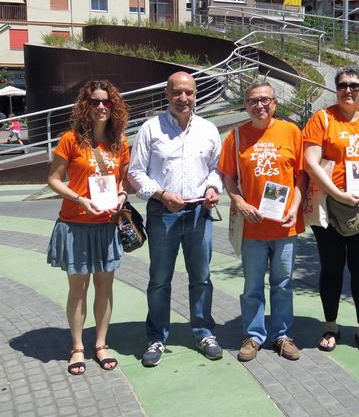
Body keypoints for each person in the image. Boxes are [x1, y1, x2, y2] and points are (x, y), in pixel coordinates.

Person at [128, 71, 223, 367]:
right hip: (162, 213)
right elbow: (135, 172)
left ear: (195, 95)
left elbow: (216, 169)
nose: (183, 98)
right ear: (167, 95)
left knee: (201, 277)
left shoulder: (208, 129)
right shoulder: (150, 128)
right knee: (159, 279)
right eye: (177, 92)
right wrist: (160, 194)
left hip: (198, 213)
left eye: (189, 92)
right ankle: (156, 337)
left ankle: (204, 331)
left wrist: (212, 188)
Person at [302, 65, 359, 355]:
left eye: (354, 86)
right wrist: (338, 193)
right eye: (343, 85)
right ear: (336, 89)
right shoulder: (322, 119)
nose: (348, 90)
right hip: (329, 206)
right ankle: (330, 326)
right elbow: (310, 162)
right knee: (331, 269)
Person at [46, 80, 130, 375]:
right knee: (78, 289)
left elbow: (122, 180)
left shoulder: (120, 142)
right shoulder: (70, 140)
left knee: (104, 288)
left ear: (114, 106)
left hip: (106, 225)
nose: (101, 106)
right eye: (94, 101)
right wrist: (80, 199)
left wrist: (122, 195)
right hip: (76, 224)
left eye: (106, 101)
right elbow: (53, 179)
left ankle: (101, 344)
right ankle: (77, 347)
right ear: (85, 106)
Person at [219, 82, 307, 362]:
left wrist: (295, 207)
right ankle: (254, 336)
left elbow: (301, 176)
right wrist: (240, 203)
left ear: (275, 103)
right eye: (253, 101)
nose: (260, 105)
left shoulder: (291, 131)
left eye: (265, 99)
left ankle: (282, 335)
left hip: (284, 226)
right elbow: (228, 177)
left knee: (283, 284)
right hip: (252, 228)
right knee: (252, 286)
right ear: (245, 105)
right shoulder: (235, 137)